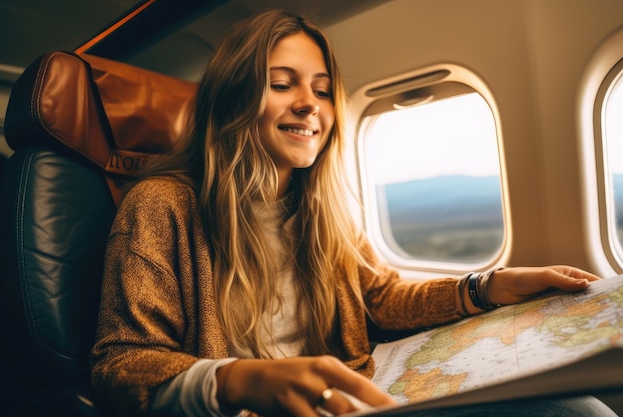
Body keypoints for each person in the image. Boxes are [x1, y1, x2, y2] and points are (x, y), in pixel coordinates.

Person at [89, 9, 618, 417]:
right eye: (281, 84)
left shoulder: (322, 206)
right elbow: (121, 366)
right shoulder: (162, 206)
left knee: (579, 409)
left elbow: (381, 299)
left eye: (321, 90)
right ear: (232, 98)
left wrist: (488, 286)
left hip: (354, 394)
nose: (310, 104)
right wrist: (241, 379)